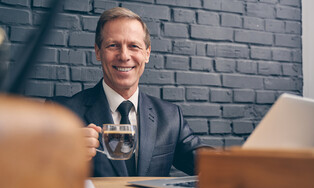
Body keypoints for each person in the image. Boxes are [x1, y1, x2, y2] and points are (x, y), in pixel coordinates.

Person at [48, 7, 206, 177]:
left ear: (147, 53)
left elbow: (208, 164)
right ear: (98, 52)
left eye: (134, 46)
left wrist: (236, 158)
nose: (124, 56)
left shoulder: (171, 116)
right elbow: (30, 179)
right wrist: (62, 155)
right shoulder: (61, 115)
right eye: (113, 45)